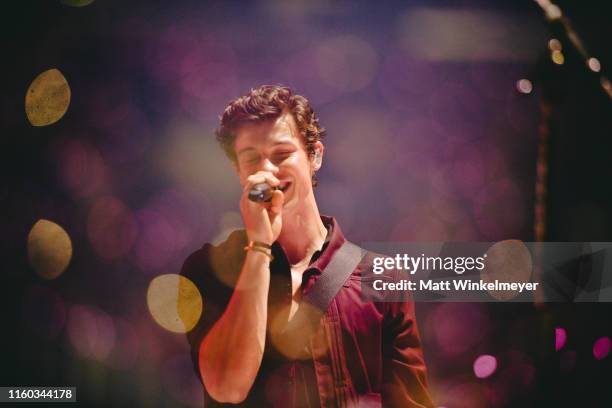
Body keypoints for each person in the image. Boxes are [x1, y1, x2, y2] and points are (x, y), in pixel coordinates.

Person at [180, 85, 433, 407]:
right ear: (238, 171)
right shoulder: (206, 269)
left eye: (282, 154)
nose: (267, 170)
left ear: (315, 155)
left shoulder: (382, 279)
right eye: (251, 158)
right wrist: (259, 247)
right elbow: (227, 388)